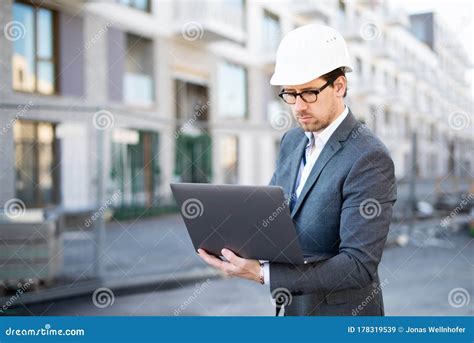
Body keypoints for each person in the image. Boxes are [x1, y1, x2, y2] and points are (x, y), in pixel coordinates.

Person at [198, 24, 397, 316]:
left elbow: (358, 264)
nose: (299, 106)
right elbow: (271, 212)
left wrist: (264, 274)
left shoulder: (369, 157)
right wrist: (232, 242)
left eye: (309, 93)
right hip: (290, 309)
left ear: (339, 86)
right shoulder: (292, 141)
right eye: (290, 94)